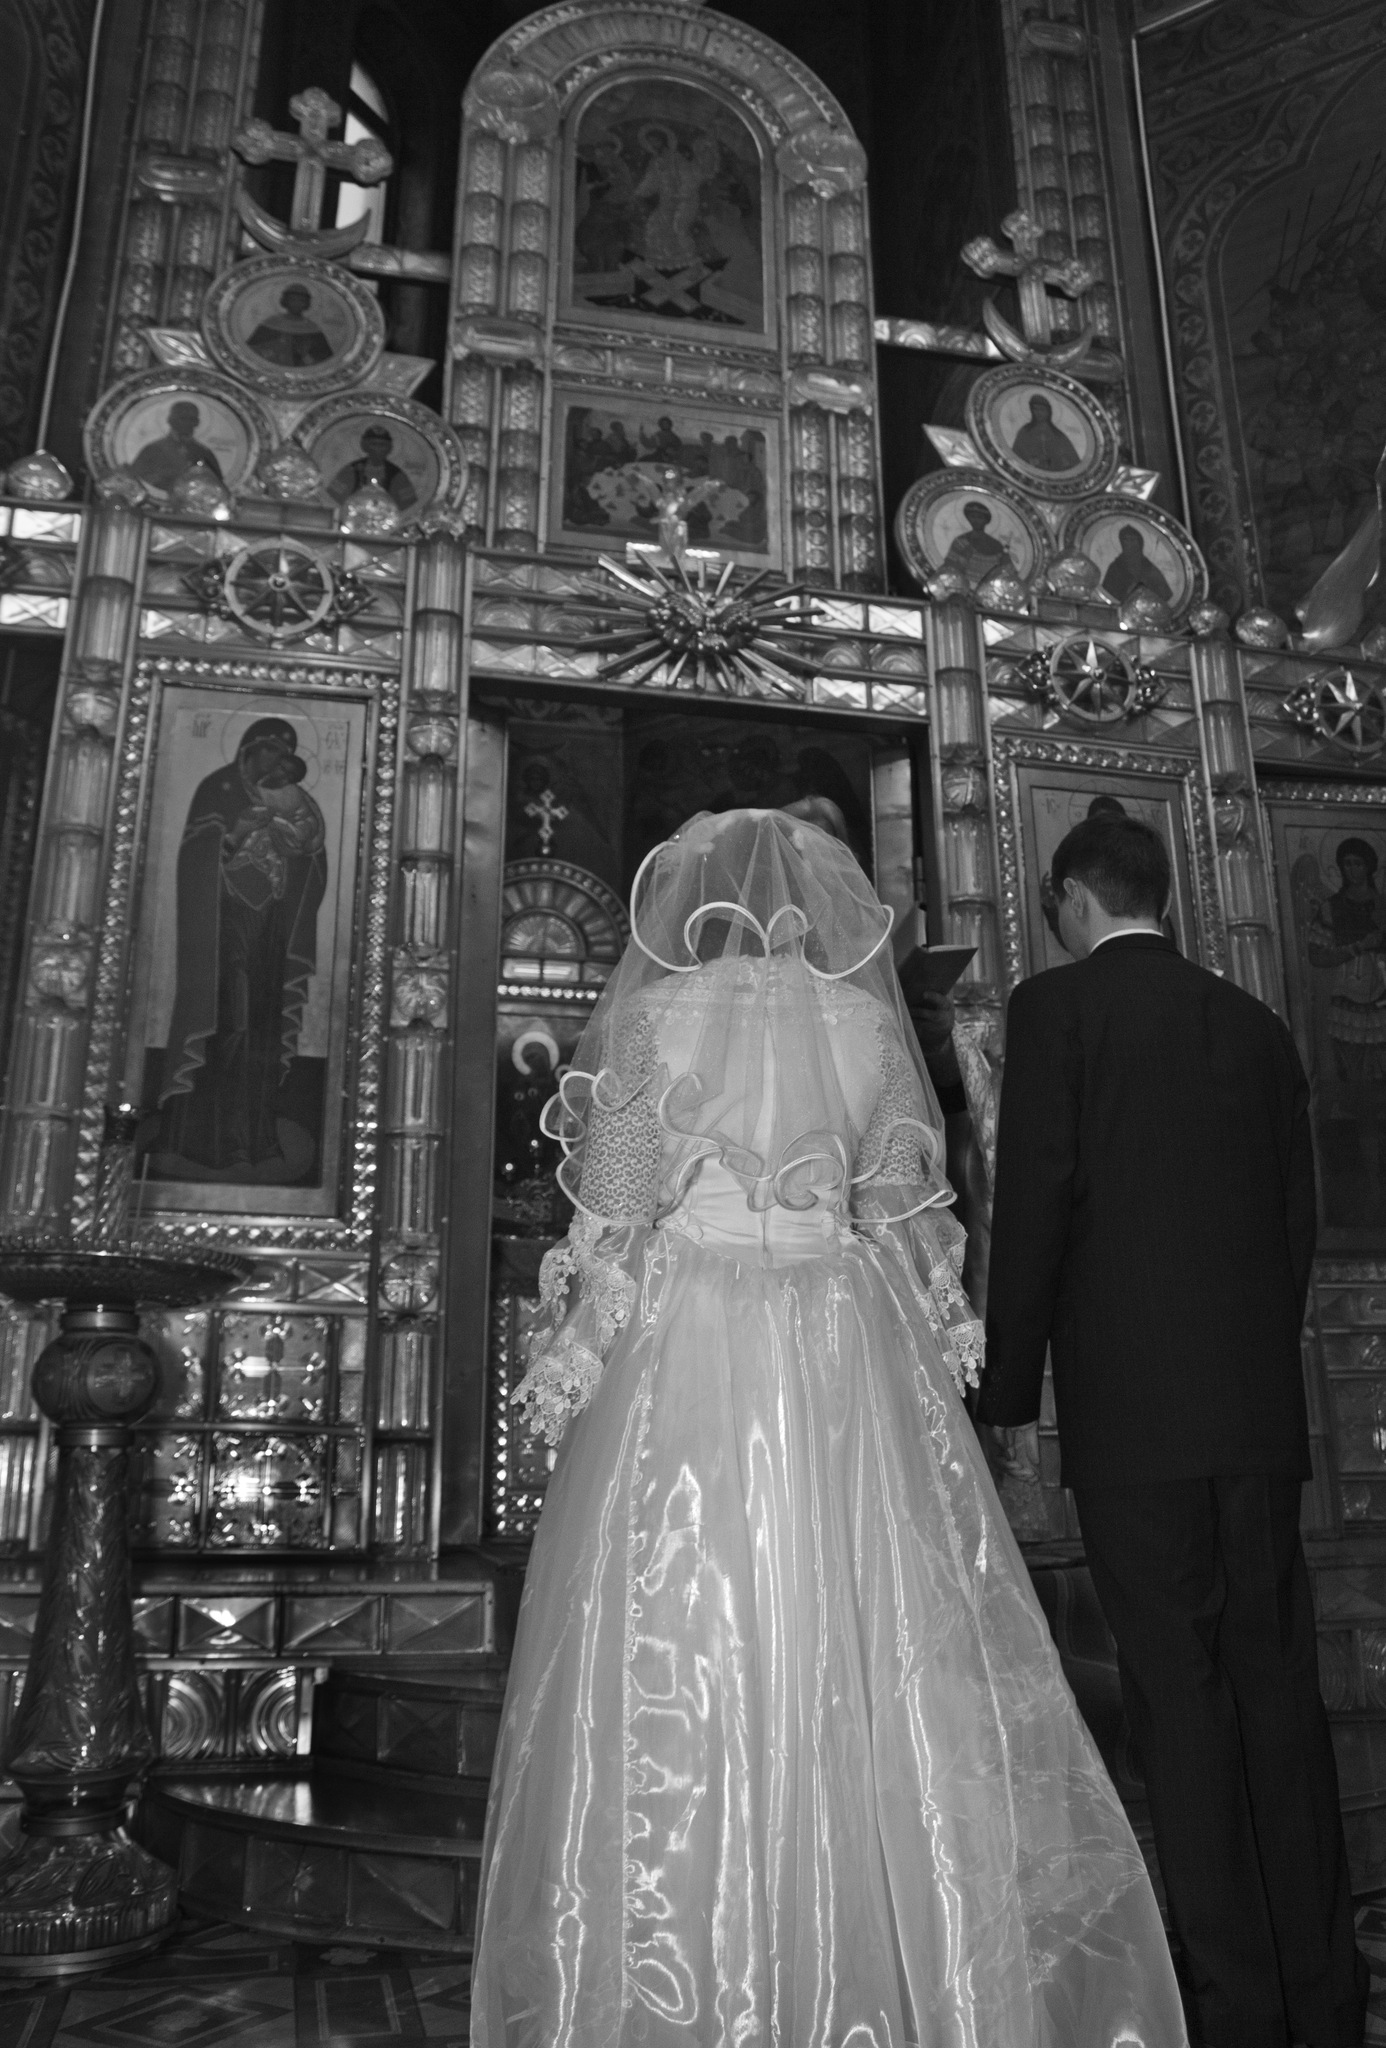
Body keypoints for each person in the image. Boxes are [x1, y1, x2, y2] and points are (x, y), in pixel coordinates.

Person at [471, 808, 1187, 2047]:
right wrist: (946, 1346)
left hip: (690, 1344)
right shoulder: (864, 1026)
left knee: (689, 1633)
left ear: (702, 904)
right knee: (875, 1629)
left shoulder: (655, 1018)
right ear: (813, 906)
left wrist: (568, 1360)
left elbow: (615, 1219)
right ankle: (905, 1969)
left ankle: (684, 1974)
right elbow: (907, 1217)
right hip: (842, 1340)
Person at [978, 811, 1369, 2048]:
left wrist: (1006, 1394)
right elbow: (1297, 1219)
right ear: (1163, 895)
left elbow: (1035, 1204)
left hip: (1134, 1423)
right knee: (1278, 1692)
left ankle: (1238, 2005)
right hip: (1254, 1416)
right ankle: (1326, 1995)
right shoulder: (1255, 1023)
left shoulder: (1057, 1011)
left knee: (1180, 1701)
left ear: (1071, 897)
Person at [150, 718, 326, 1181]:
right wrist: (234, 835)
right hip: (224, 925)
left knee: (261, 1029)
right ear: (248, 749)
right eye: (269, 750)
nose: (277, 762)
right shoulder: (219, 789)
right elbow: (196, 855)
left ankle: (251, 1140)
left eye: (285, 755)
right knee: (232, 1020)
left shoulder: (292, 798)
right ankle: (201, 1140)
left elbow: (311, 851)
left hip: (268, 926)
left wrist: (296, 845)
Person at [129, 401, 224, 493]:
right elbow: (135, 480)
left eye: (191, 419)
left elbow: (216, 486)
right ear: (171, 420)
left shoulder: (204, 453)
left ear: (196, 422)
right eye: (182, 418)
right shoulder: (152, 450)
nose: (187, 423)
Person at [326, 424, 417, 511]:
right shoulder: (350, 471)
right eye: (374, 444)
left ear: (389, 448)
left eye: (382, 445)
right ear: (365, 446)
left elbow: (408, 505)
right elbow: (333, 499)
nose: (378, 449)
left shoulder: (397, 475)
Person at [246, 283, 333, 367]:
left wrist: (305, 355)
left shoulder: (312, 328)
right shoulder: (271, 322)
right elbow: (251, 351)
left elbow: (325, 360)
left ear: (306, 303)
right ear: (285, 301)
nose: (297, 304)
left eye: (301, 300)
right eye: (292, 300)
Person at [942, 499, 1013, 586]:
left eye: (980, 517)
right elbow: (948, 568)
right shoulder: (960, 542)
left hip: (988, 589)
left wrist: (1005, 560)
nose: (975, 520)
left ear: (986, 520)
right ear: (968, 518)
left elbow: (1008, 572)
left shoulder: (996, 545)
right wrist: (963, 558)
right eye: (973, 516)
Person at [1101, 525, 1174, 606]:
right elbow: (1108, 595)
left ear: (1139, 543)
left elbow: (1165, 595)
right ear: (1121, 543)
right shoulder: (1115, 568)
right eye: (1126, 540)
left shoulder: (1149, 567)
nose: (1129, 543)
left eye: (1132, 539)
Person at [1011, 393, 1082, 472]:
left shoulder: (1058, 435)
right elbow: (1015, 456)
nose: (1038, 413)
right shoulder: (1025, 431)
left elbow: (1073, 462)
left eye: (1042, 409)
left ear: (1048, 412)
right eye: (1035, 409)